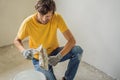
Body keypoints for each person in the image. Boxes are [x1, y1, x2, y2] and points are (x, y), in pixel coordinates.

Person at [14, 0, 83, 80]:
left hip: (54, 53)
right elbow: (17, 40)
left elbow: (72, 41)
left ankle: (67, 78)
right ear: (37, 11)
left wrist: (58, 57)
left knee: (77, 50)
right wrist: (23, 51)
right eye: (41, 15)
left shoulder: (57, 18)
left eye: (47, 16)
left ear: (53, 13)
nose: (43, 19)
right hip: (39, 59)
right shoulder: (28, 23)